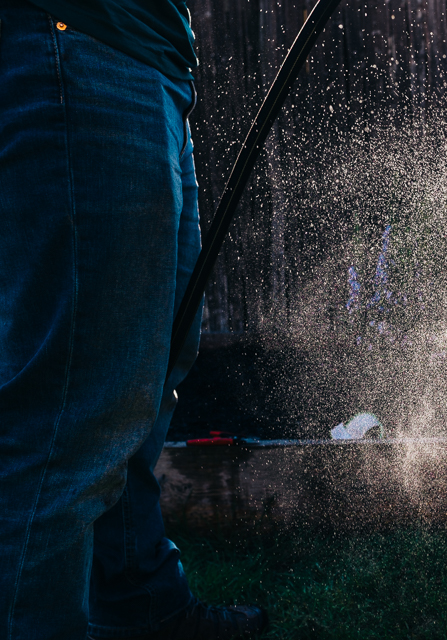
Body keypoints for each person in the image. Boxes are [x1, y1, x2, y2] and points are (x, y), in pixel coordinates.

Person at [0, 0, 267, 638]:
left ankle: (143, 611)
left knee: (145, 377)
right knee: (68, 414)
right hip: (79, 42)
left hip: (148, 64)